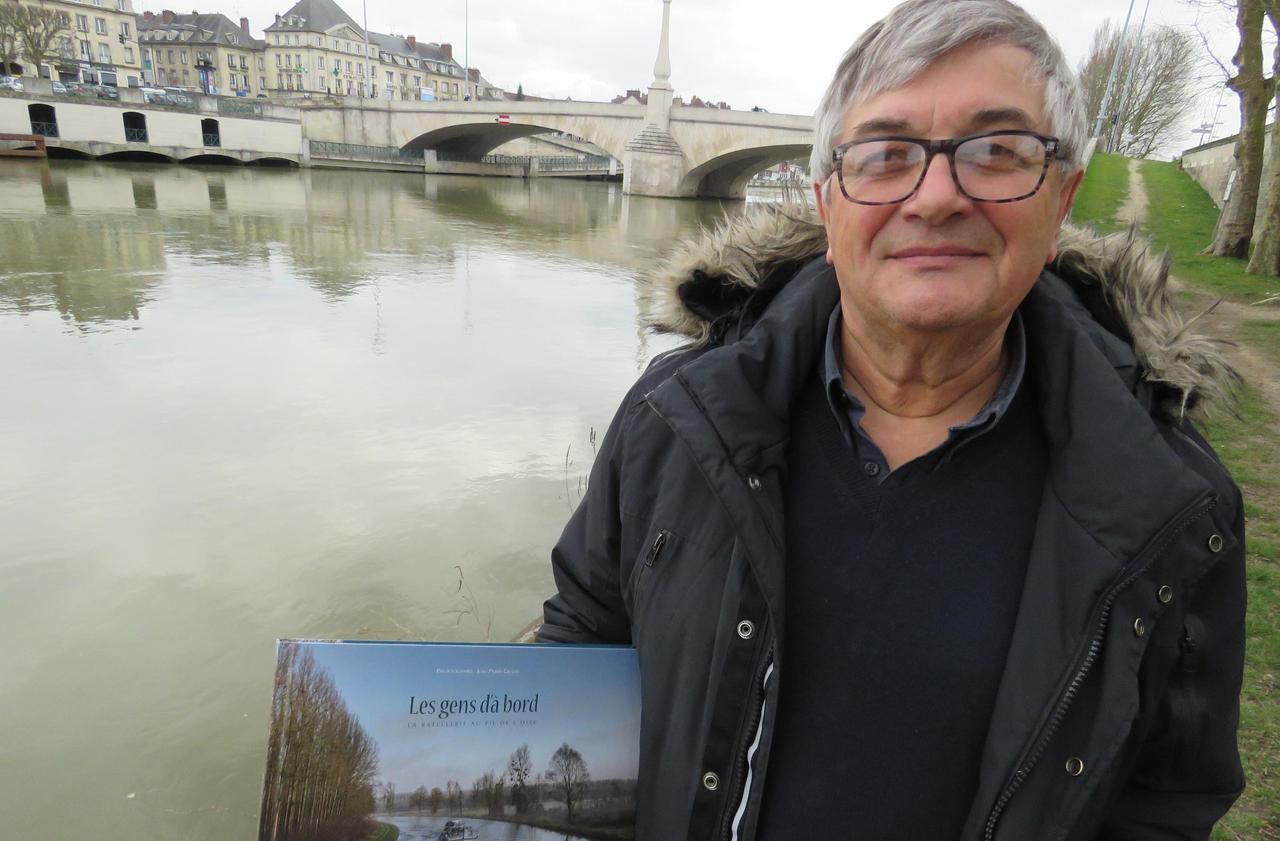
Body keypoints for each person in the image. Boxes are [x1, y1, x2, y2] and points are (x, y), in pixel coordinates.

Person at [539, 1, 1247, 839]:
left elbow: (1167, 798)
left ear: (1061, 202)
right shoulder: (672, 422)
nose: (937, 195)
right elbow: (583, 646)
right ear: (828, 204)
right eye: (885, 155)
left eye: (994, 151)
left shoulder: (1169, 503)